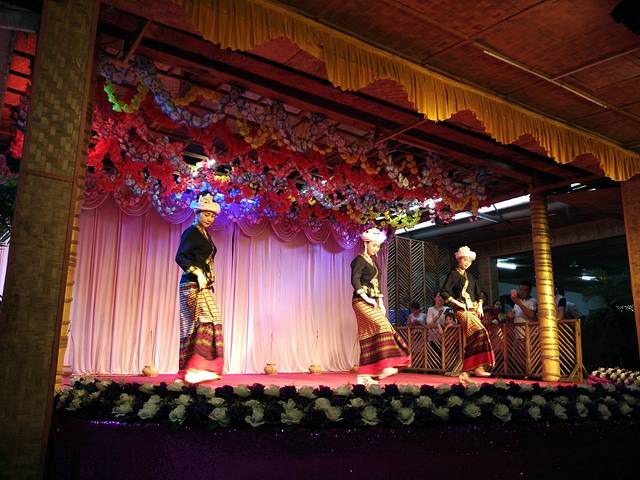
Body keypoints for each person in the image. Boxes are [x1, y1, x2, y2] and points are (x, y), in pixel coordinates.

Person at [351, 228, 411, 384]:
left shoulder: (375, 263)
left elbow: (376, 286)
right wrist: (365, 297)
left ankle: (366, 374)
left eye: (378, 246)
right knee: (382, 326)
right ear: (366, 243)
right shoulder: (359, 260)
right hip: (360, 301)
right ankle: (384, 366)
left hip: (372, 301)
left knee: (369, 335)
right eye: (374, 245)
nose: (376, 248)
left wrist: (381, 303)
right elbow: (355, 279)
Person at [175, 193, 224, 384]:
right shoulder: (192, 232)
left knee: (211, 322)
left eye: (212, 216)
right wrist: (197, 273)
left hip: (203, 287)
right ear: (197, 213)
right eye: (206, 214)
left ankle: (201, 369)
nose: (210, 218)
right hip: (191, 285)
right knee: (197, 324)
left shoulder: (204, 233)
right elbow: (180, 257)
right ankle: (190, 370)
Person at [440, 245, 495, 383]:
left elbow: (479, 293)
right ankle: (478, 367)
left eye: (469, 261)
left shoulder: (471, 276)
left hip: (473, 310)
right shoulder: (453, 274)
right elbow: (444, 291)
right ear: (459, 259)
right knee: (480, 332)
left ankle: (465, 373)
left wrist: (480, 304)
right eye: (465, 260)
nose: (467, 263)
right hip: (461, 311)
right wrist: (457, 303)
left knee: (473, 339)